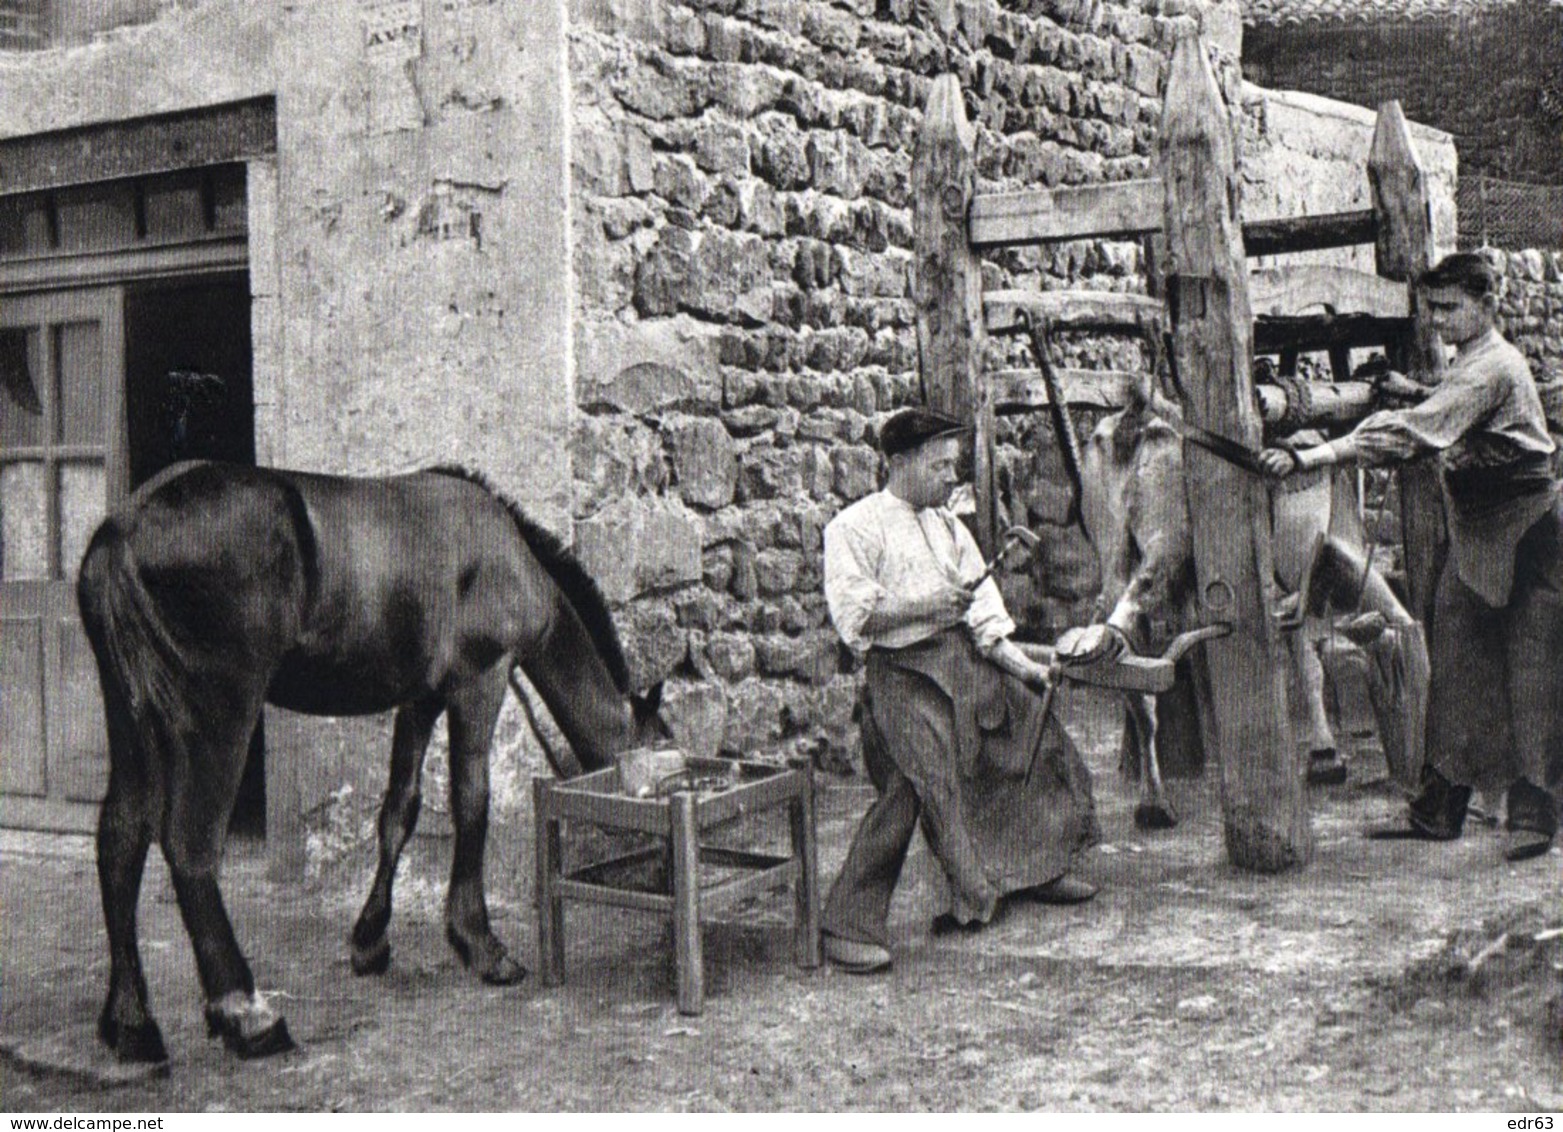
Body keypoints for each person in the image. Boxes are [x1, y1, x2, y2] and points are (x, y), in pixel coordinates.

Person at [1259, 252, 1562, 862]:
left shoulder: (1496, 366)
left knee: (1533, 669)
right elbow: (1448, 403)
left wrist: (1311, 458)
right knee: (1452, 662)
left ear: (1486, 305)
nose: (1439, 321)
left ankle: (1535, 813)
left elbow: (1416, 432)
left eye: (1451, 308)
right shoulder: (1472, 364)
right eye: (1432, 309)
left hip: (1530, 532)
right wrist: (1412, 389)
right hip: (1478, 529)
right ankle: (1440, 807)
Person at [818, 406, 1100, 974]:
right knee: (919, 781)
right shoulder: (853, 527)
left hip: (962, 662)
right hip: (902, 675)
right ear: (900, 462)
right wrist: (924, 605)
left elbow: (987, 622)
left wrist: (1026, 671)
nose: (952, 476)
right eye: (941, 465)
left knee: (1030, 733)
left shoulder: (950, 525)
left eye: (953, 464)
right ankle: (847, 922)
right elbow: (854, 618)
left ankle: (1034, 870)